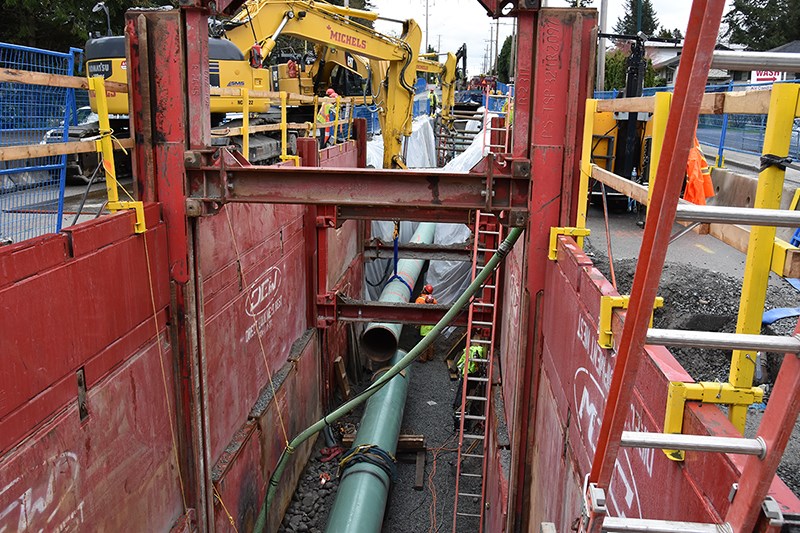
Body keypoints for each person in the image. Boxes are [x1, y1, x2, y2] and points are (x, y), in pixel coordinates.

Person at [416, 284, 437, 361]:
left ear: (424, 290)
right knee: (431, 341)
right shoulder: (434, 300)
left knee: (424, 341)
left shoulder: (419, 300)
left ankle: (423, 358)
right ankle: (430, 356)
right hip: (432, 323)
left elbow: (416, 311)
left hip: (424, 324)